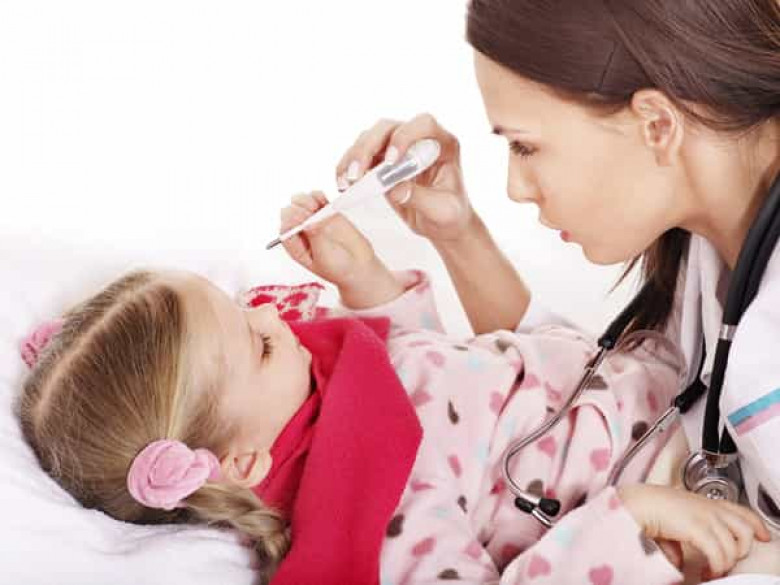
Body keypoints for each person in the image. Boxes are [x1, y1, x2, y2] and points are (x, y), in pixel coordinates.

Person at [17, 191, 770, 585]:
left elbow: (443, 390)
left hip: (665, 385)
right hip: (680, 490)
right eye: (257, 340)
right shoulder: (373, 515)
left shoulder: (314, 389)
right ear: (243, 462)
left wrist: (368, 281)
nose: (270, 313)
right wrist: (627, 518)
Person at [334, 0, 780, 550]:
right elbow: (591, 411)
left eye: (525, 145)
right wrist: (456, 232)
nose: (515, 187)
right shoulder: (711, 244)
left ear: (657, 124)